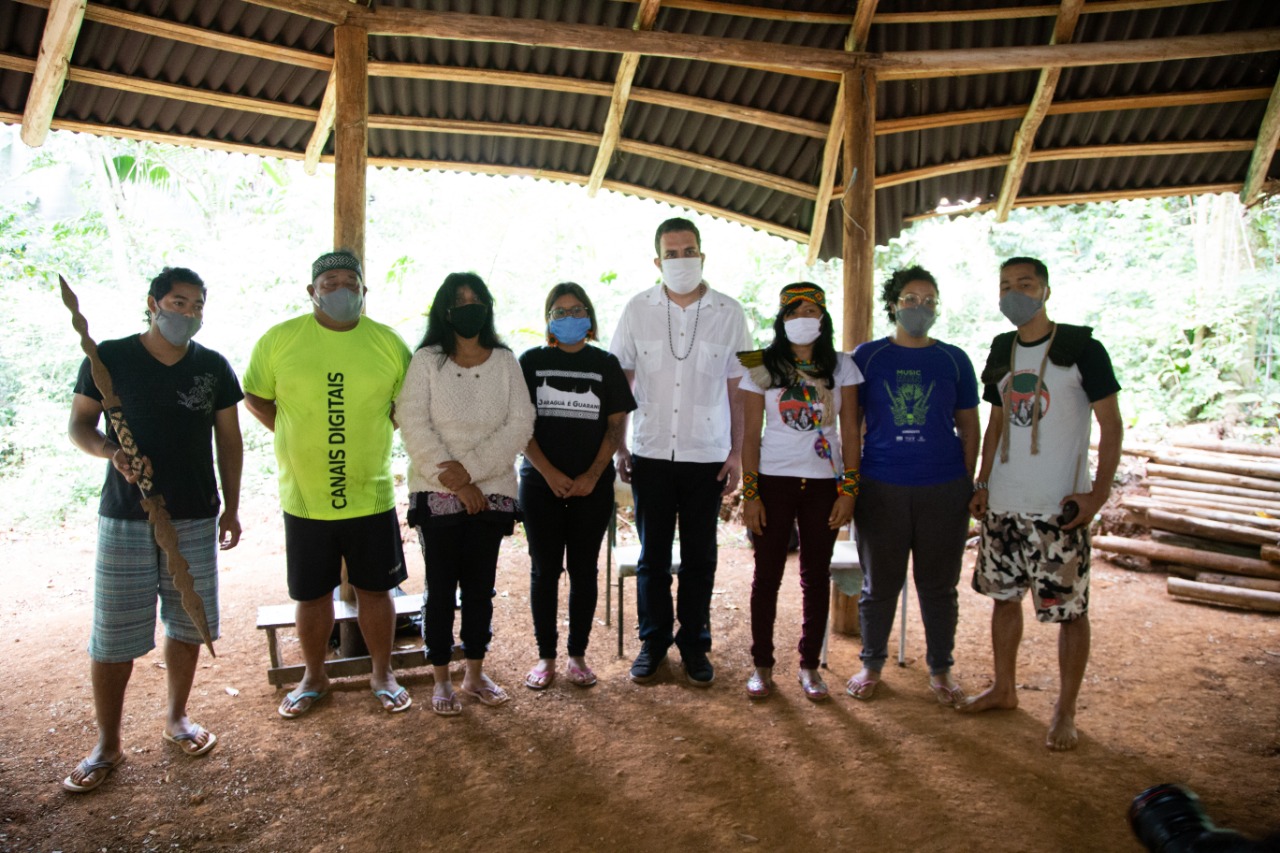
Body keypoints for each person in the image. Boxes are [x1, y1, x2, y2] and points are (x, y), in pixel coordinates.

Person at [64, 267, 242, 792]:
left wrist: (231, 507)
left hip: (193, 511)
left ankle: (177, 718)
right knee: (114, 633)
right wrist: (110, 451)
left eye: (196, 305)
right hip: (125, 513)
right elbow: (80, 426)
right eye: (178, 302)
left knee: (189, 621)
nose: (187, 313)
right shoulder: (109, 360)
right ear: (153, 303)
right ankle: (107, 744)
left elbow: (228, 442)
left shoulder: (213, 367)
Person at [243, 250, 413, 718]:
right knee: (311, 595)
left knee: (376, 592)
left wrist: (368, 432)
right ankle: (314, 676)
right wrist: (294, 431)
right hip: (305, 499)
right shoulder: (280, 340)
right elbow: (255, 396)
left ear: (364, 291)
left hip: (370, 493)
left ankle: (383, 672)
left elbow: (406, 408)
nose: (341, 290)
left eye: (350, 283)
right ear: (312, 291)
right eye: (330, 282)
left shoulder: (388, 344)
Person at [963, 256, 1123, 751]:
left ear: (1046, 290)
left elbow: (1112, 425)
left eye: (1025, 284)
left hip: (1059, 509)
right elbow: (996, 423)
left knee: (1069, 611)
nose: (1015, 293)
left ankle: (1065, 710)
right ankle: (1004, 687)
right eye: (1006, 285)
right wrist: (982, 481)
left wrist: (1096, 495)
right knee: (1003, 599)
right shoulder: (1001, 350)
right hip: (1005, 503)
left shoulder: (1081, 348)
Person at [610, 216, 752, 687]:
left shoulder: (730, 313)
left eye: (688, 250)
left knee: (700, 557)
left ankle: (694, 643)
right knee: (652, 556)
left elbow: (740, 390)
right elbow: (622, 385)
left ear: (702, 255)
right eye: (671, 253)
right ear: (657, 260)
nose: (681, 260)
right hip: (650, 452)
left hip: (707, 454)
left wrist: (737, 454)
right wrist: (619, 446)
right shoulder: (637, 309)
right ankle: (653, 642)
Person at [396, 272, 535, 716]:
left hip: (490, 491)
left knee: (480, 589)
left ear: (488, 307)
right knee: (440, 589)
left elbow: (519, 424)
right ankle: (441, 679)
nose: (468, 307)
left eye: (476, 300)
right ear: (444, 309)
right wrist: (459, 483)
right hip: (438, 490)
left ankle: (474, 674)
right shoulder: (426, 361)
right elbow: (413, 423)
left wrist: (472, 475)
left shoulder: (506, 362)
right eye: (459, 301)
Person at [847, 267, 979, 705]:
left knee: (938, 586)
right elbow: (850, 423)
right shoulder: (866, 356)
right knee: (879, 584)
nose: (918, 307)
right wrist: (851, 482)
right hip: (881, 485)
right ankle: (871, 664)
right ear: (892, 304)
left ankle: (941, 671)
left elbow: (969, 426)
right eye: (909, 298)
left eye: (928, 299)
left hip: (943, 487)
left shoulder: (953, 359)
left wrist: (967, 480)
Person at [739, 283, 861, 701]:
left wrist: (849, 490)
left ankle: (810, 665)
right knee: (766, 575)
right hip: (773, 483)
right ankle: (762, 666)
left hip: (824, 485)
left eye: (810, 309)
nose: (802, 318)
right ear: (781, 319)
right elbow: (750, 436)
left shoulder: (843, 366)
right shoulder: (761, 365)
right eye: (793, 312)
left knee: (815, 575)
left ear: (823, 317)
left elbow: (851, 434)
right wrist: (750, 493)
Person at [518, 283, 636, 690]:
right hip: (539, 484)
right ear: (548, 318)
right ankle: (546, 657)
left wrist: (591, 475)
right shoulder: (530, 362)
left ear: (590, 317)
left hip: (593, 487)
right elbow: (520, 426)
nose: (569, 318)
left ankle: (577, 656)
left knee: (584, 571)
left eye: (577, 310)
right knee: (544, 570)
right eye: (560, 311)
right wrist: (548, 472)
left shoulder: (605, 364)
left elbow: (616, 426)